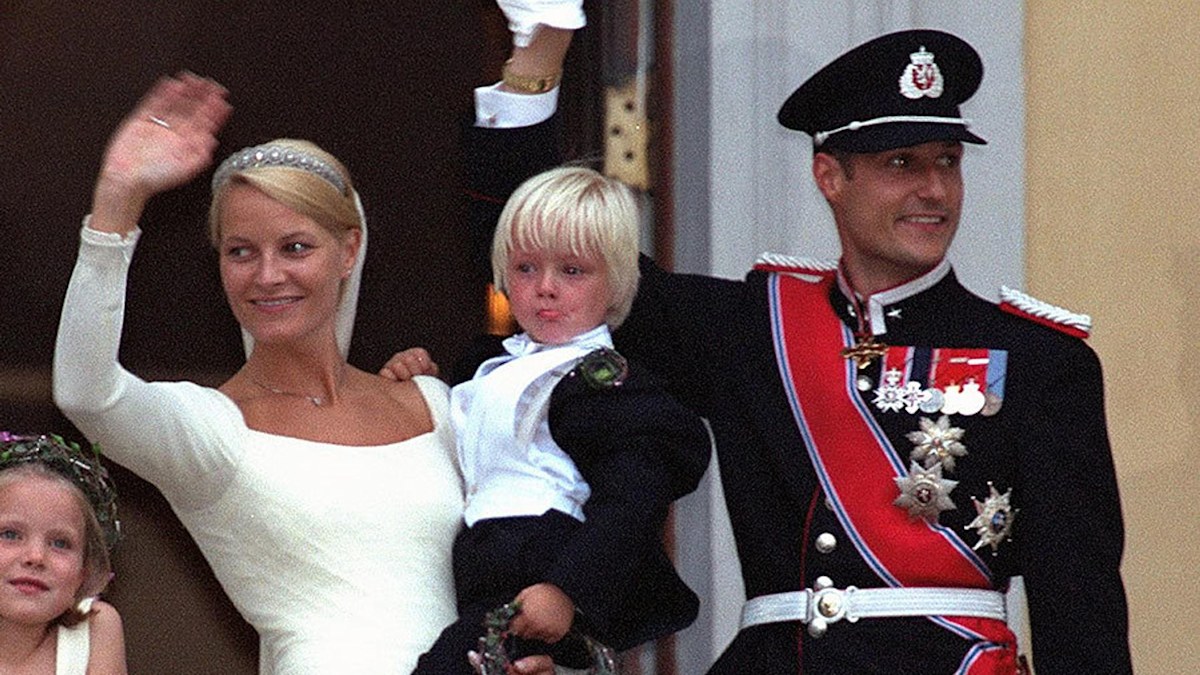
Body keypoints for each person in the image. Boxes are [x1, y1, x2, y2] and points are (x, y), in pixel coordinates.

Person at [394, 9, 1133, 674]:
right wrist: (539, 56)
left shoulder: (1040, 361)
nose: (933, 190)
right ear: (829, 175)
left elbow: (1081, 610)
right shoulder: (754, 328)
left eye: (947, 160)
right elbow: (541, 238)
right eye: (900, 164)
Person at [53, 73, 556, 675]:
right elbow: (86, 393)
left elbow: (514, 541)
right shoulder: (211, 431)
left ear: (349, 250)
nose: (267, 275)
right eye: (240, 251)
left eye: (294, 247)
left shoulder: (430, 401)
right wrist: (118, 198)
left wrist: (519, 655)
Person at [413, 166, 709, 673]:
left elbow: (632, 500)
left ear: (615, 283)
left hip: (538, 570)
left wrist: (567, 589)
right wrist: (416, 380)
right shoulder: (489, 365)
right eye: (526, 268)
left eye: (572, 271)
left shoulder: (604, 383)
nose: (545, 287)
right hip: (476, 566)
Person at [0, 432, 127, 674]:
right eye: (10, 534)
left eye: (60, 543)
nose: (36, 557)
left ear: (85, 569)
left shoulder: (95, 627)